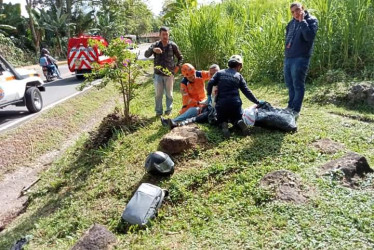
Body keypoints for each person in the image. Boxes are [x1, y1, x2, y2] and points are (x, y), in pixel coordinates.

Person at [207, 55, 264, 138]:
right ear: (239, 66)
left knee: (221, 117)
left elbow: (210, 83)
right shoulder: (239, 76)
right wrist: (257, 102)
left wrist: (208, 95)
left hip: (221, 104)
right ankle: (239, 121)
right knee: (237, 116)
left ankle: (224, 123)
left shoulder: (219, 73)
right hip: (235, 104)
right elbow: (246, 91)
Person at [284, 2, 318, 119]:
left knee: (298, 84)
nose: (295, 13)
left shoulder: (311, 20)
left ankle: (296, 110)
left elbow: (309, 37)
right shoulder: (291, 23)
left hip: (301, 57)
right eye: (292, 12)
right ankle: (290, 107)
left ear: (302, 8)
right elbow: (288, 37)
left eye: (297, 10)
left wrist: (302, 21)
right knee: (290, 84)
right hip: (289, 57)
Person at [144, 26, 183, 116]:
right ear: (159, 35)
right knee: (158, 94)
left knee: (169, 94)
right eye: (163, 34)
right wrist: (153, 50)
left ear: (168, 35)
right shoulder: (155, 45)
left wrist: (177, 67)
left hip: (169, 74)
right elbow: (146, 55)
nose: (165, 36)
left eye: (167, 34)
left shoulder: (173, 45)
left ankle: (169, 110)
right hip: (158, 74)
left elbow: (180, 57)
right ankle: (158, 111)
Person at [161, 63, 214, 128]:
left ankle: (172, 121)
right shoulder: (184, 83)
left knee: (192, 112)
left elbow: (212, 74)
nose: (192, 78)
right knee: (187, 112)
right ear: (185, 76)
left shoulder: (200, 74)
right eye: (190, 77)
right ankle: (173, 121)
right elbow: (187, 99)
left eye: (193, 75)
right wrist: (198, 103)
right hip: (192, 104)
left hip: (204, 101)